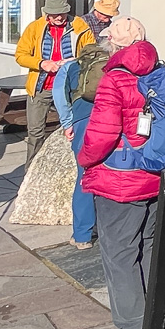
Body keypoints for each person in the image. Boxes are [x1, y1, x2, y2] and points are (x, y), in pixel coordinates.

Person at [77, 17, 161, 329]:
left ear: (113, 43)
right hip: (155, 173)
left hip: (119, 180)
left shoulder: (114, 78)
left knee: (119, 254)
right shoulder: (160, 70)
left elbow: (101, 134)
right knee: (149, 246)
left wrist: (84, 159)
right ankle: (157, 317)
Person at [14, 0, 94, 165]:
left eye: (62, 13)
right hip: (41, 87)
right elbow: (20, 55)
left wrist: (73, 61)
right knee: (35, 133)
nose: (59, 17)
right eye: (55, 14)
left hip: (71, 88)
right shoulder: (34, 28)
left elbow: (91, 53)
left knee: (74, 128)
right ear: (47, 13)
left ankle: (71, 167)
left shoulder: (80, 26)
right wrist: (42, 63)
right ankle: (32, 172)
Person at [52, 31, 112, 250]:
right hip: (111, 120)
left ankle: (82, 235)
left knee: (85, 176)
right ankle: (111, 229)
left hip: (83, 122)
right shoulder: (116, 62)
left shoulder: (71, 66)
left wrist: (68, 124)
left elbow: (59, 95)